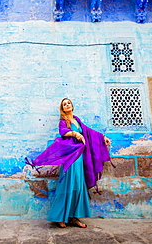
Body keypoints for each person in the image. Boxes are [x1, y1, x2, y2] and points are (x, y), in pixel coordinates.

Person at [26, 98, 111, 228]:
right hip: (70, 156)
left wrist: (103, 137)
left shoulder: (77, 120)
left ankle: (74, 218)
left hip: (80, 156)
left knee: (78, 185)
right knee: (67, 185)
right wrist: (75, 134)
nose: (67, 105)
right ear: (62, 109)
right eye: (64, 104)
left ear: (72, 106)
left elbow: (89, 132)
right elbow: (63, 132)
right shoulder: (63, 122)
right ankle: (60, 217)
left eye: (69, 103)